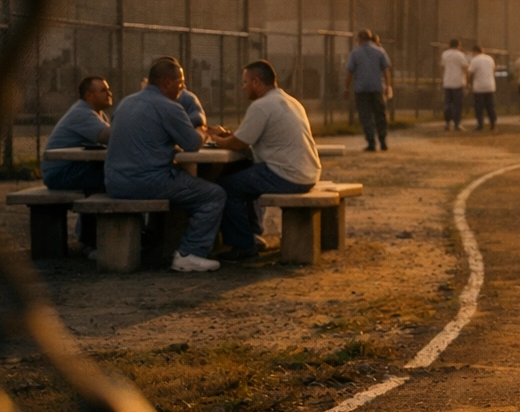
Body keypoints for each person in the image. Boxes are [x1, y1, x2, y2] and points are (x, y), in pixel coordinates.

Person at [106, 57, 224, 272]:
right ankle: (190, 253)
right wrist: (203, 131)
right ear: (167, 82)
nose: (183, 88)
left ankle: (154, 242)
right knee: (213, 195)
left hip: (114, 183)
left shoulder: (126, 103)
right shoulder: (169, 107)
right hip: (148, 182)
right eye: (181, 83)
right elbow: (192, 144)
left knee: (182, 184)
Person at [210, 60, 321, 260]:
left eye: (245, 82)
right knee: (245, 175)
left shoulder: (261, 106)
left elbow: (239, 143)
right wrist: (228, 135)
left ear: (256, 82)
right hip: (307, 173)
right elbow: (246, 136)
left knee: (224, 188)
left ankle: (243, 245)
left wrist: (216, 140)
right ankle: (252, 233)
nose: (243, 87)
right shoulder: (290, 101)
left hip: (287, 175)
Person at [42, 76, 113, 196]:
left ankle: (92, 209)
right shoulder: (82, 113)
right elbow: (108, 136)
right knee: (115, 176)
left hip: (72, 168)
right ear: (89, 95)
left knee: (112, 171)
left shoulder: (98, 114)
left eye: (108, 89)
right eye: (103, 90)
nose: (109, 93)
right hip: (60, 173)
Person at [344, 29, 391, 152]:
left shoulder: (355, 53)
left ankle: (371, 142)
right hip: (377, 88)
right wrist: (388, 86)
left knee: (366, 116)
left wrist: (346, 88)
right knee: (380, 115)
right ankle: (383, 141)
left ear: (360, 39)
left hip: (361, 89)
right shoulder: (380, 51)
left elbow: (349, 72)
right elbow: (386, 71)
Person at [467, 44, 497, 131]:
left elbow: (470, 73)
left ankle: (480, 124)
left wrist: (469, 84)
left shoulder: (475, 60)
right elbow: (493, 71)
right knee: (490, 107)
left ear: (475, 51)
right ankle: (493, 124)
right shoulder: (490, 59)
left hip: (479, 87)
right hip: (490, 86)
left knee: (479, 107)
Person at [440, 38, 468, 131]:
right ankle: (457, 124)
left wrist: (443, 78)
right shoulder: (460, 55)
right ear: (458, 45)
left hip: (447, 82)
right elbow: (464, 67)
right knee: (457, 104)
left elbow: (442, 67)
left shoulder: (444, 54)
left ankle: (447, 123)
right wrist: (466, 78)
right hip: (458, 82)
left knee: (448, 103)